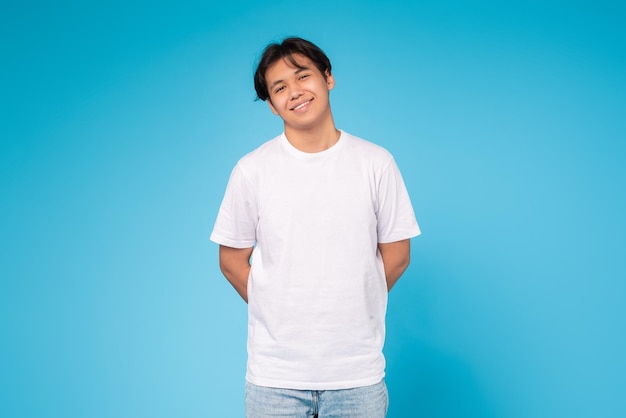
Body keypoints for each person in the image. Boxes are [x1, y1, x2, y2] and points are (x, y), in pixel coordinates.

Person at [210, 37, 421, 417]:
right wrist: (278, 305)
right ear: (273, 107)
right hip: (275, 377)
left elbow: (397, 255)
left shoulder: (376, 163)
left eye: (302, 76)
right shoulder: (252, 170)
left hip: (356, 375)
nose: (294, 92)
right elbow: (231, 261)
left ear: (328, 78)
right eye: (279, 88)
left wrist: (353, 300)